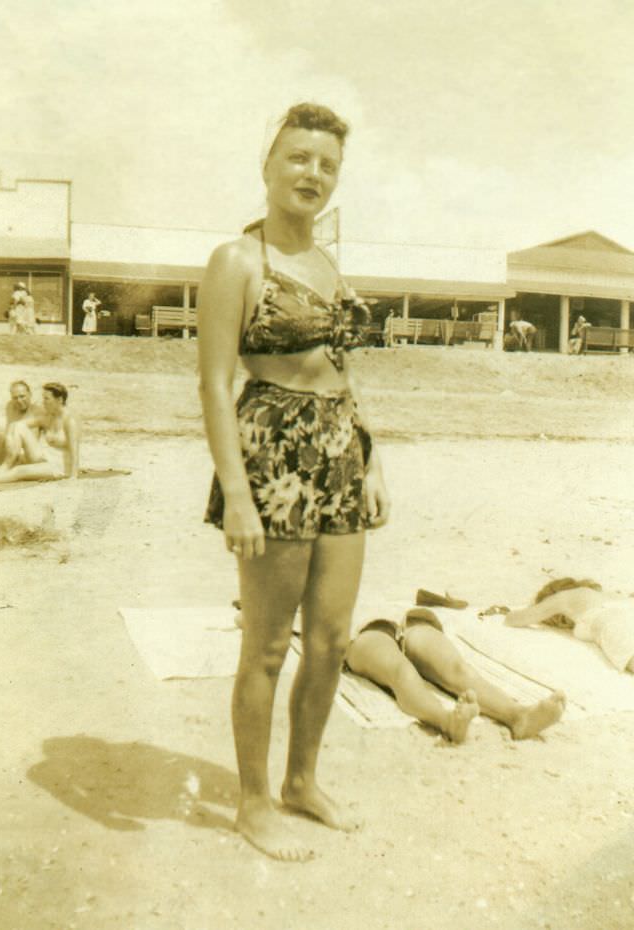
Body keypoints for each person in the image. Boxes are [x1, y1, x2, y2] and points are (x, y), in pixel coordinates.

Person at [197, 102, 389, 861]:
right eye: (299, 158)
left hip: (340, 452)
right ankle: (251, 803)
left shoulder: (329, 264)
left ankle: (301, 781)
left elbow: (344, 370)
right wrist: (237, 492)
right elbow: (214, 385)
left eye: (327, 165)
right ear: (268, 165)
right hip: (271, 455)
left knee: (334, 638)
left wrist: (371, 457)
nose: (312, 173)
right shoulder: (237, 261)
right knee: (269, 645)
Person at [345, 607, 566, 742]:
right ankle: (446, 721)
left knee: (457, 669)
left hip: (416, 620)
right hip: (366, 630)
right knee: (402, 672)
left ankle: (518, 716)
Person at [505, 578, 634, 673]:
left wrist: (509, 610)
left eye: (556, 617)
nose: (560, 623)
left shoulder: (562, 597)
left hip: (611, 622)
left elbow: (514, 619)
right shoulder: (605, 595)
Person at [0, 382, 80, 483]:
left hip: (60, 466)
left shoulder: (70, 420)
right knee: (18, 426)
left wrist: (73, 477)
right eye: (43, 398)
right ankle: (6, 466)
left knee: (19, 471)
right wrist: (10, 435)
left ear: (59, 400)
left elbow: (75, 451)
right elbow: (18, 425)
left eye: (46, 399)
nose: (43, 402)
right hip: (46, 458)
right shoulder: (49, 417)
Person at [0, 381, 41, 465]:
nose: (19, 400)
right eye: (15, 398)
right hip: (10, 449)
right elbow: (9, 431)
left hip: (26, 454)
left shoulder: (37, 411)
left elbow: (33, 442)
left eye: (22, 396)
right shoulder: (10, 406)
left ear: (30, 394)